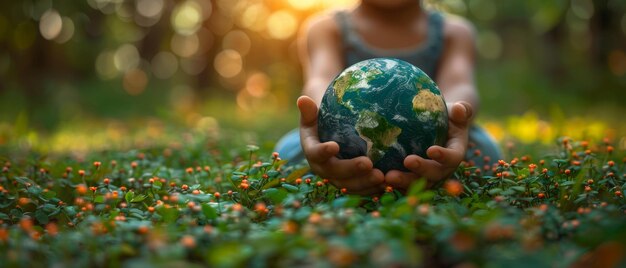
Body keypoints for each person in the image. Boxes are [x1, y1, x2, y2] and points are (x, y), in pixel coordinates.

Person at [274, 0, 502, 195]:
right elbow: (320, 80)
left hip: (438, 145)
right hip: (343, 146)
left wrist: (453, 116)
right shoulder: (326, 28)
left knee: (486, 154)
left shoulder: (454, 31)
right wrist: (320, 119)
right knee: (288, 153)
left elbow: (460, 84)